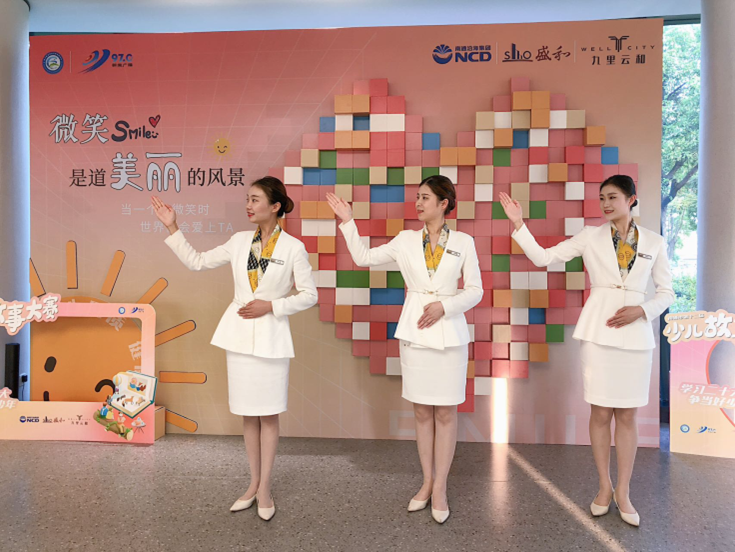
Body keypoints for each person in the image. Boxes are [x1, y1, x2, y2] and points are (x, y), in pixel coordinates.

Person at [500, 174, 674, 527]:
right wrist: (519, 224)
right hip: (598, 330)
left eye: (613, 197)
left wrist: (642, 310)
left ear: (631, 199)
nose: (606, 204)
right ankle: (604, 486)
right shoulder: (590, 236)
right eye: (602, 198)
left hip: (636, 336)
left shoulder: (655, 242)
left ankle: (624, 491)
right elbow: (544, 258)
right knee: (600, 412)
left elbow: (666, 292)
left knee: (628, 415)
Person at [152, 176, 317, 521]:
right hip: (238, 337)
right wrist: (172, 227)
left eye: (255, 199)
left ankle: (266, 487)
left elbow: (309, 295)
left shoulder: (293, 248)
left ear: (275, 206)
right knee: (248, 412)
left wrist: (272, 306)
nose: (248, 205)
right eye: (247, 199)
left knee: (268, 413)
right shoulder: (240, 241)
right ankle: (253, 483)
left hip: (271, 338)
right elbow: (197, 261)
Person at [327, 175, 483, 524]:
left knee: (446, 413)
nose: (418, 203)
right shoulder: (405, 240)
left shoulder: (464, 242)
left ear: (444, 203)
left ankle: (440, 487)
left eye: (425, 197)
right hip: (415, 331)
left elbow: (475, 290)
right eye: (417, 196)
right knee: (422, 412)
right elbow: (364, 257)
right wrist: (348, 221)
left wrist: (445, 307)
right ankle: (426, 481)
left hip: (449, 334)